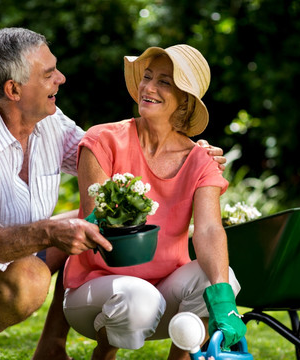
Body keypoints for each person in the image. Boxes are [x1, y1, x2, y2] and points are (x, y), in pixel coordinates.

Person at [0, 27, 227, 360]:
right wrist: (48, 233)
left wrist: (185, 153)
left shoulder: (50, 125)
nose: (61, 78)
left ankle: (51, 345)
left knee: (85, 219)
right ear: (13, 89)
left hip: (2, 260)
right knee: (34, 271)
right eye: (48, 74)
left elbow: (111, 158)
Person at [62, 44, 246, 360]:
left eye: (164, 81)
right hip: (96, 293)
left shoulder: (200, 160)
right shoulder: (103, 140)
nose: (148, 87)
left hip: (165, 293)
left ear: (185, 99)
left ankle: (182, 357)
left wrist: (223, 300)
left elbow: (208, 231)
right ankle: (104, 355)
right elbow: (96, 217)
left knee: (222, 277)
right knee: (140, 298)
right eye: (147, 77)